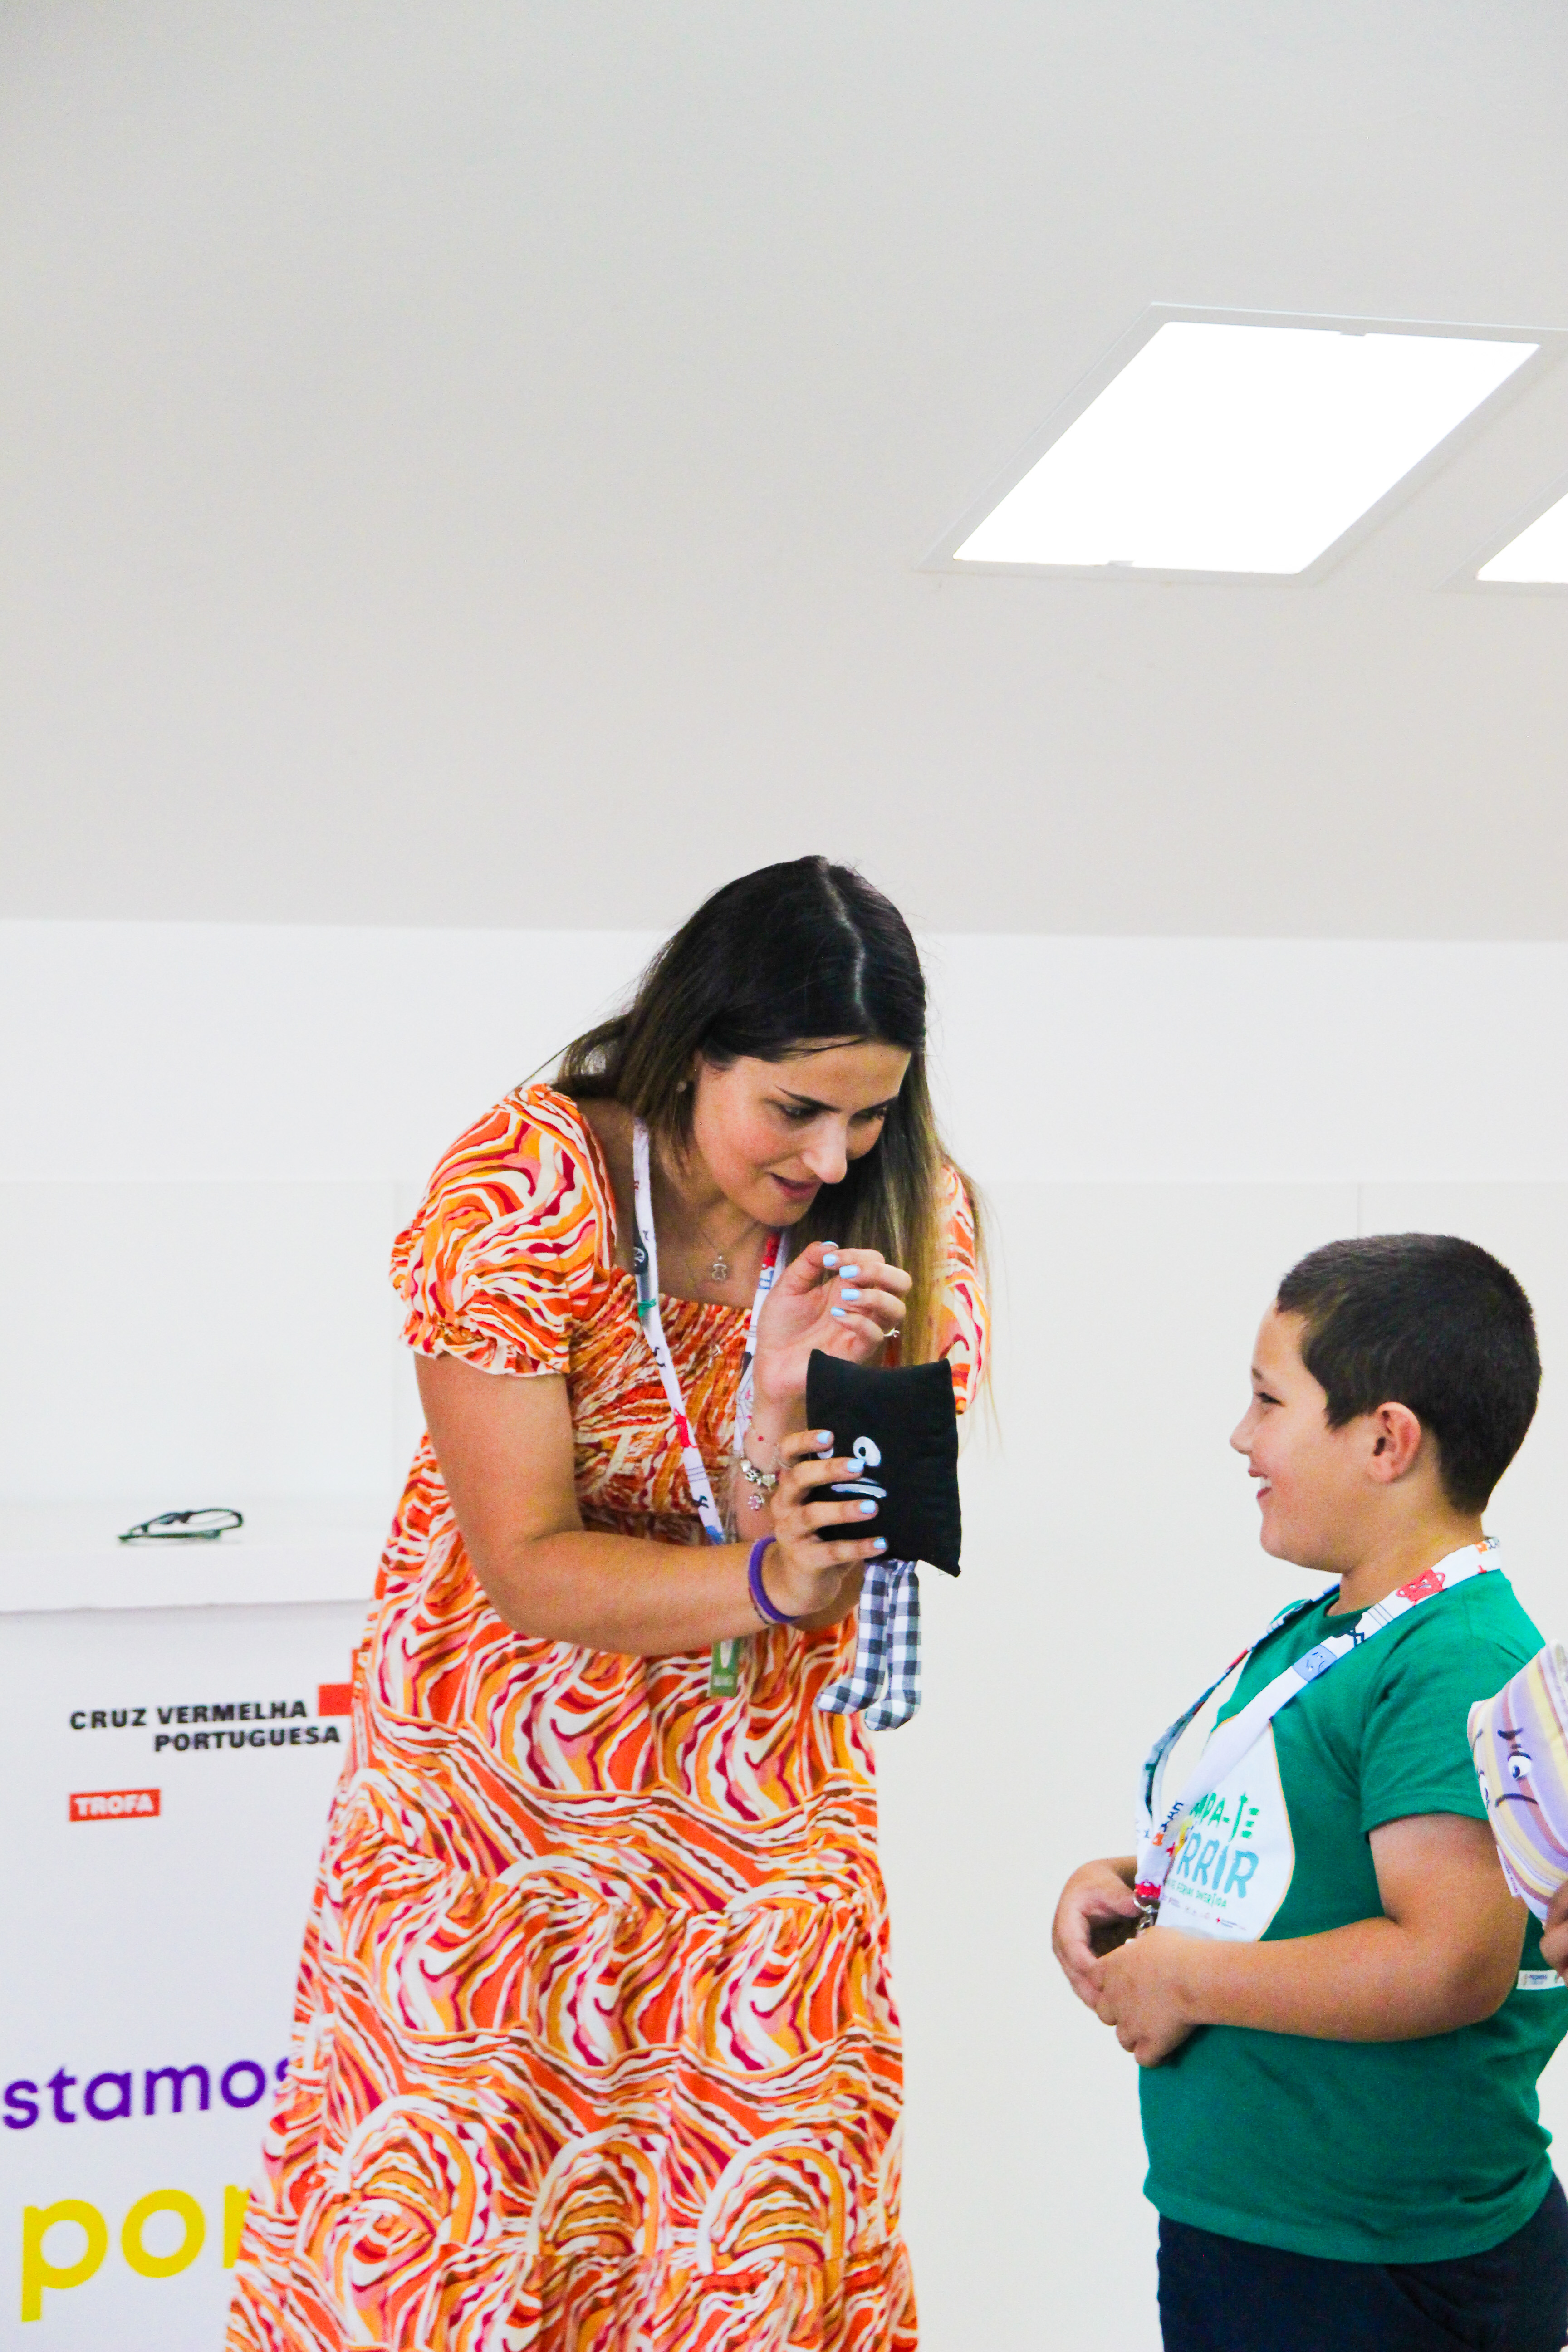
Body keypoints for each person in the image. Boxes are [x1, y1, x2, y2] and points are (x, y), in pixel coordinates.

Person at [226, 857, 987, 2352]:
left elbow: (855, 1558)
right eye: (794, 1108)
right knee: (465, 2219)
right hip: (497, 1817)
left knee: (749, 2224)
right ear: (694, 1046)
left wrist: (781, 1419)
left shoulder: (907, 1211)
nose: (832, 1154)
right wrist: (765, 1570)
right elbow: (525, 1561)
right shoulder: (527, 1185)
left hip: (753, 1815)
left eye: (868, 1113)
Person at [1053, 1234, 1568, 2352]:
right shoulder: (1333, 1631)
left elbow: (1448, 1961)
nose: (1241, 1437)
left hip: (1375, 2266)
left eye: (1268, 1400)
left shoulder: (1455, 1657)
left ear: (1386, 1440)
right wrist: (1144, 1885)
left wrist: (1184, 1975)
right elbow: (1318, 1860)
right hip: (1258, 2233)